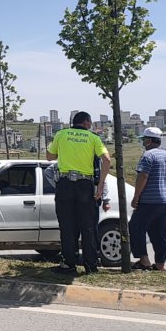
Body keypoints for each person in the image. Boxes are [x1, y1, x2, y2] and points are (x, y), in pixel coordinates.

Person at [46, 111, 111, 274]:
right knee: (88, 227)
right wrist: (101, 185)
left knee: (67, 226)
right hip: (85, 185)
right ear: (87, 123)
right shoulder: (93, 138)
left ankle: (69, 263)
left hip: (65, 184)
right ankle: (91, 265)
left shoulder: (61, 134)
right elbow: (107, 160)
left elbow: (49, 157)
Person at [129, 127, 166, 271]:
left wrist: (136, 196)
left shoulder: (148, 156)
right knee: (159, 232)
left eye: (144, 140)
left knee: (136, 226)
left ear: (149, 140)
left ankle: (144, 260)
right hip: (165, 200)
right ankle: (160, 264)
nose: (143, 143)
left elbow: (143, 176)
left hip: (150, 200)